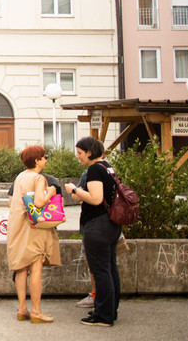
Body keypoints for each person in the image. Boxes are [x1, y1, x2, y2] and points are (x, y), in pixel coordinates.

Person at [64, 136, 121, 327]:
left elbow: (96, 198)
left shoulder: (95, 169)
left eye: (80, 153)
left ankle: (103, 316)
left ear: (89, 152)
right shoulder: (108, 167)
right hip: (111, 224)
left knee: (100, 270)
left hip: (97, 225)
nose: (78, 156)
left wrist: (74, 190)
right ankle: (110, 310)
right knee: (110, 268)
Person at [7, 144, 61, 324]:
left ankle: (22, 308)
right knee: (35, 268)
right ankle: (36, 311)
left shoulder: (20, 176)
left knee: (21, 267)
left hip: (18, 226)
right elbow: (38, 202)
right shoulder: (39, 178)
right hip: (33, 228)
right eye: (44, 157)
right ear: (37, 160)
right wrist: (50, 192)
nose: (46, 160)